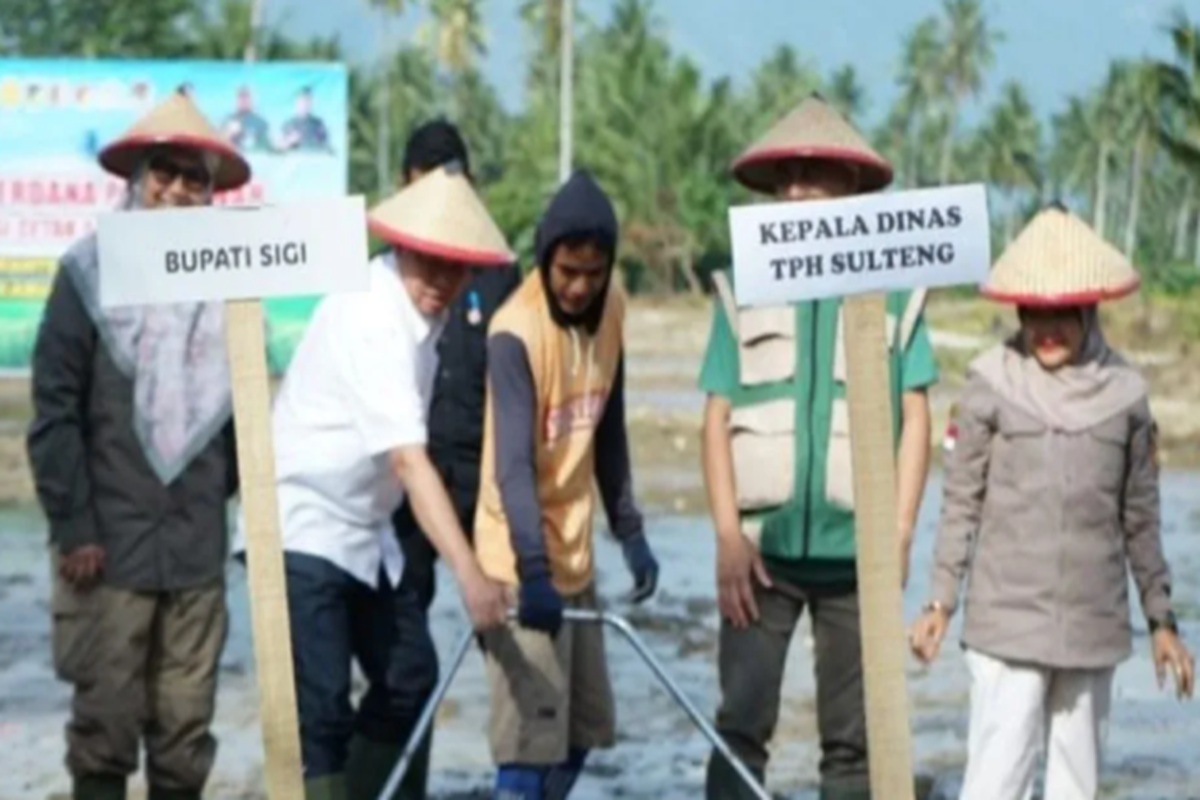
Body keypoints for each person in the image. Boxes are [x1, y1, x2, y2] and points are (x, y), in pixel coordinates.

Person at [231, 164, 512, 800]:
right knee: (322, 708)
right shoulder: (370, 312)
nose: (441, 281)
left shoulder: (430, 324)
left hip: (363, 526)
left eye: (456, 267)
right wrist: (469, 574)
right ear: (400, 248)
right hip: (299, 520)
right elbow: (409, 461)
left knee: (412, 678)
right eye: (429, 262)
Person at [909, 203, 1195, 800]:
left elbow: (1140, 519)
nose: (1047, 328)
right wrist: (940, 600)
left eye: (1062, 314)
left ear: (1088, 311)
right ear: (1018, 310)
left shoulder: (1125, 397)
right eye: (1034, 312)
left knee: (1077, 783)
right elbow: (961, 500)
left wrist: (1161, 618)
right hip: (1006, 622)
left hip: (1092, 624)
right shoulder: (990, 383)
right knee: (996, 778)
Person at [698, 93, 939, 800]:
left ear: (854, 188)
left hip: (855, 559)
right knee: (740, 725)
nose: (800, 189)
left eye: (818, 173)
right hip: (760, 559)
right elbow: (716, 418)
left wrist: (895, 535)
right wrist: (725, 537)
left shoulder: (892, 291)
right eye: (789, 176)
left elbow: (916, 414)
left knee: (854, 744)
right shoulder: (741, 288)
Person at [27, 91, 249, 800]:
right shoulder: (87, 273)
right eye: (166, 173)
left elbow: (242, 421)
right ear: (139, 179)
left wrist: (235, 515)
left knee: (186, 734)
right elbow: (54, 411)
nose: (179, 190)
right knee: (104, 730)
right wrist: (75, 527)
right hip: (108, 549)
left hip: (194, 552)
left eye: (194, 179)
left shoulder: (232, 289)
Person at [472, 169, 660, 800]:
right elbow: (513, 468)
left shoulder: (613, 308)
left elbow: (608, 426)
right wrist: (532, 571)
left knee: (583, 731)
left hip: (575, 558)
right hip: (518, 561)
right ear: (545, 258)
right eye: (566, 272)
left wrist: (629, 530)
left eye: (593, 271)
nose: (580, 286)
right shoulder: (513, 333)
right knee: (528, 746)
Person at [384, 120, 521, 798]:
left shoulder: (498, 274)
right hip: (405, 485)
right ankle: (400, 782)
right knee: (402, 654)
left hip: (484, 483)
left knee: (514, 640)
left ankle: (518, 780)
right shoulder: (385, 278)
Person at [281, 86, 331, 153]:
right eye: (302, 100)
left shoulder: (318, 124)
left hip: (314, 160)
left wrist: (320, 143)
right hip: (294, 160)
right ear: (297, 102)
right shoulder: (288, 124)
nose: (305, 104)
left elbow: (326, 146)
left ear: (312, 103)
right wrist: (290, 141)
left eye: (308, 100)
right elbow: (280, 148)